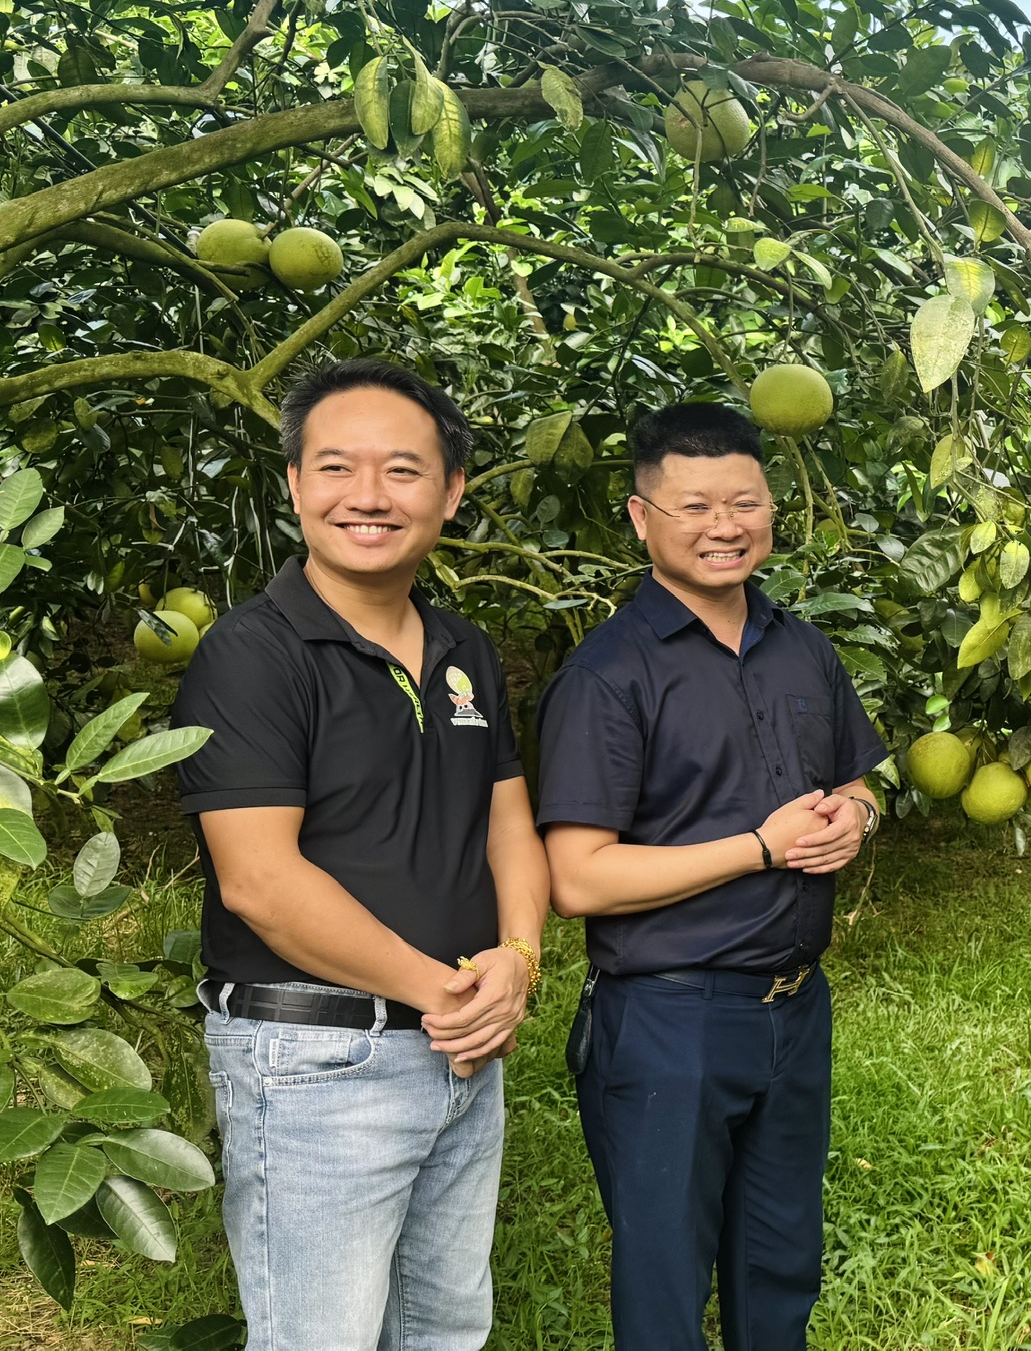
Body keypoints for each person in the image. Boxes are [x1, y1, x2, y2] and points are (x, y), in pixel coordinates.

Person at [175, 358, 549, 1350]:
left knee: (442, 1330)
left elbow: (505, 815)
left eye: (404, 470)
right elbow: (259, 881)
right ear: (294, 484)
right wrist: (450, 991)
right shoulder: (251, 657)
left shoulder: (464, 650)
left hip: (459, 1048)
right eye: (336, 468)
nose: (369, 498)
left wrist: (518, 955)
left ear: (452, 491)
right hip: (315, 1062)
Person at [537, 401, 885, 1349]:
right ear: (642, 518)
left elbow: (856, 779)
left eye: (744, 503)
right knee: (665, 1281)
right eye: (694, 506)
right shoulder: (610, 676)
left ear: (773, 509)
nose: (723, 526)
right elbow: (578, 879)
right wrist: (762, 848)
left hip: (793, 1009)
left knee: (780, 1264)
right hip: (668, 1020)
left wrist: (857, 813)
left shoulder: (802, 648)